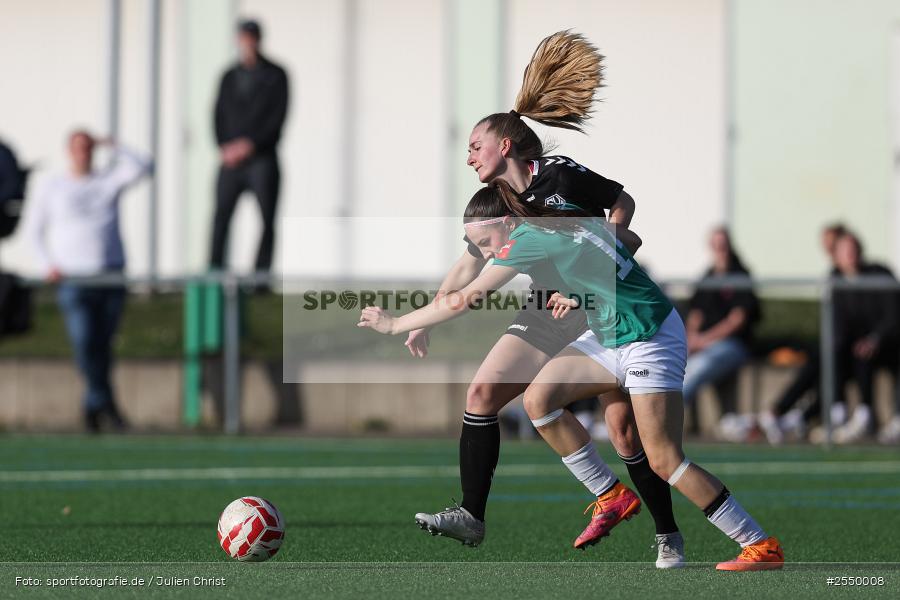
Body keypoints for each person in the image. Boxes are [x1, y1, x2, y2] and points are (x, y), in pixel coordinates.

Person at [359, 182, 784, 571]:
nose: (487, 253)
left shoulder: (530, 234)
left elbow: (468, 297)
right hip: (609, 333)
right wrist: (582, 288)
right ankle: (610, 493)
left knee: (663, 458)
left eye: (488, 243)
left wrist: (396, 324)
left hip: (647, 334)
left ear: (508, 221)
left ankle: (760, 545)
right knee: (538, 400)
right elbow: (623, 244)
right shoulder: (553, 220)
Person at [403, 31, 684, 567]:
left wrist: (604, 257)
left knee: (625, 431)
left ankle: (668, 533)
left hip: (599, 305)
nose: (469, 158)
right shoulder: (499, 199)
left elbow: (621, 202)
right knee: (483, 391)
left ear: (503, 145)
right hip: (546, 306)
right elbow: (470, 261)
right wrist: (429, 317)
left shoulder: (560, 175)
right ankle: (473, 514)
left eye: (474, 146)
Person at [25, 131, 152, 432]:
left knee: (103, 346)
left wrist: (114, 144)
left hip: (109, 276)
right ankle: (106, 405)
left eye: (88, 148)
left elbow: (145, 166)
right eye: (78, 148)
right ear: (69, 151)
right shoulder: (53, 187)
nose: (83, 154)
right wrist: (47, 265)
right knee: (83, 343)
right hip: (73, 278)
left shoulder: (106, 181)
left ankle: (93, 407)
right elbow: (34, 230)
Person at [210, 19, 289, 276]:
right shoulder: (229, 76)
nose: (247, 43)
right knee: (221, 216)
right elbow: (218, 114)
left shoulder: (276, 75)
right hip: (231, 160)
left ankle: (261, 278)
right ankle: (215, 272)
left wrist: (250, 145)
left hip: (261, 159)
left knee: (266, 220)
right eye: (244, 37)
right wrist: (225, 147)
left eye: (251, 37)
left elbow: (277, 118)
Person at [758, 223, 847, 444]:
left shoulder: (868, 274)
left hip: (860, 349)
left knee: (829, 359)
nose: (829, 250)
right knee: (819, 358)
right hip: (840, 347)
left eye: (834, 245)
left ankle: (796, 414)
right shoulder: (834, 275)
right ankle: (791, 414)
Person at [682, 227, 759, 440]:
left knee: (700, 366)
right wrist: (691, 339)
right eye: (716, 244)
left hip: (733, 344)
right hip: (705, 343)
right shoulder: (707, 276)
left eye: (723, 243)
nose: (720, 249)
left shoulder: (740, 274)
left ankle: (665, 412)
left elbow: (737, 320)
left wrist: (704, 341)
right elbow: (696, 314)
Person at [828, 232, 900, 443]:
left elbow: (894, 315)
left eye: (853, 249)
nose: (851, 255)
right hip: (861, 349)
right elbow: (840, 325)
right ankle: (851, 415)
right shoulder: (836, 279)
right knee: (838, 354)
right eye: (845, 251)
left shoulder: (880, 274)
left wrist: (876, 338)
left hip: (891, 343)